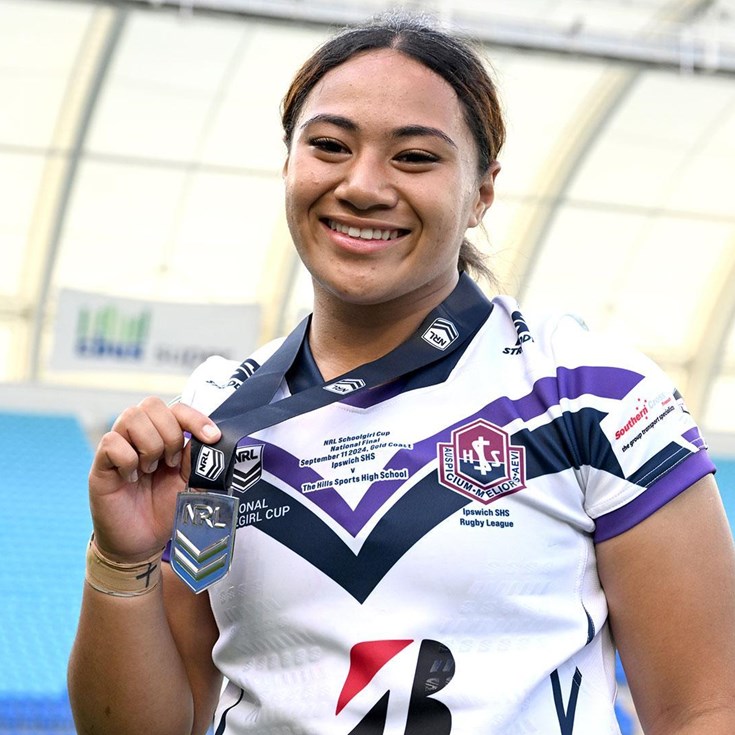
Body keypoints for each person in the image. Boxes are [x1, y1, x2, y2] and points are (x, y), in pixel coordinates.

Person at [67, 11, 735, 735]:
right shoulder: (212, 423)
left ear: (481, 191)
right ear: (288, 164)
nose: (361, 185)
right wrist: (119, 558)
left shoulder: (591, 395)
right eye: (327, 146)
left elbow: (705, 708)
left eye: (414, 157)